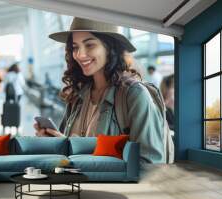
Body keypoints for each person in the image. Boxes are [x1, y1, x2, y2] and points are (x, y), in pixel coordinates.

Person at [34, 17, 168, 163]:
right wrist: (54, 143)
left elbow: (150, 163)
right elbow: (69, 155)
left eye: (89, 45)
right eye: (75, 47)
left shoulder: (133, 95)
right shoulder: (78, 96)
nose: (79, 54)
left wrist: (79, 151)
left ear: (110, 47)